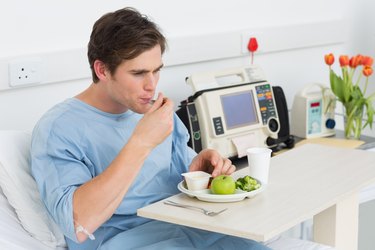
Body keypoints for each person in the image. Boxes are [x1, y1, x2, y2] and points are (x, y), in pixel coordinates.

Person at [30, 7, 271, 250]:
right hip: (127, 242)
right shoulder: (59, 129)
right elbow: (78, 225)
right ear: (102, 70)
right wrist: (140, 143)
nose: (151, 85)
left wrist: (199, 170)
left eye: (156, 71)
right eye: (138, 73)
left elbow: (177, 179)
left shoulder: (159, 113)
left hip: (196, 228)